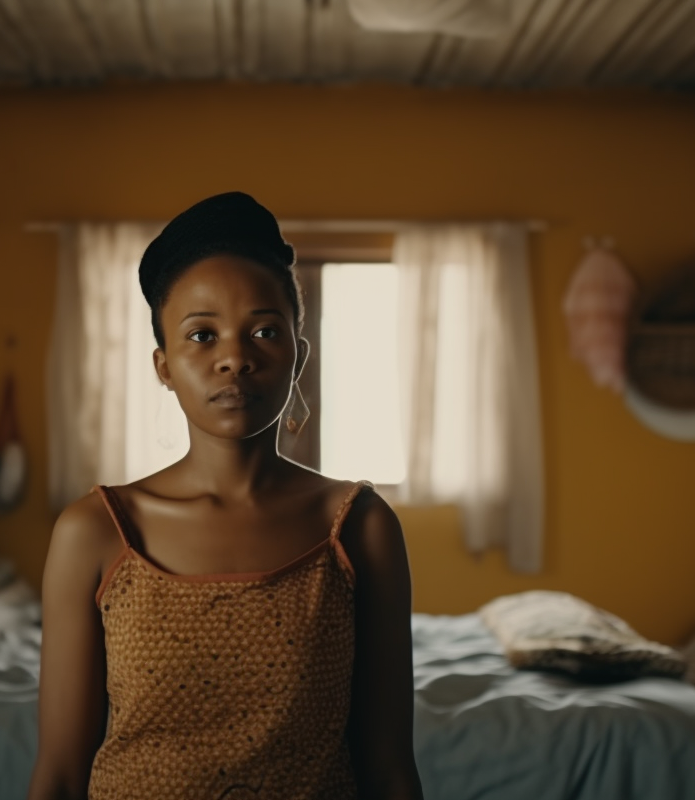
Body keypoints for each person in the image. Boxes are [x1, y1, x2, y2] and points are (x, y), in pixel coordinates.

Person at [28, 192, 423, 800]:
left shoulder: (358, 527)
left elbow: (391, 771)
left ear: (299, 354)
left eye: (264, 331)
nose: (235, 359)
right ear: (163, 366)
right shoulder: (96, 531)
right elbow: (58, 776)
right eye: (202, 336)